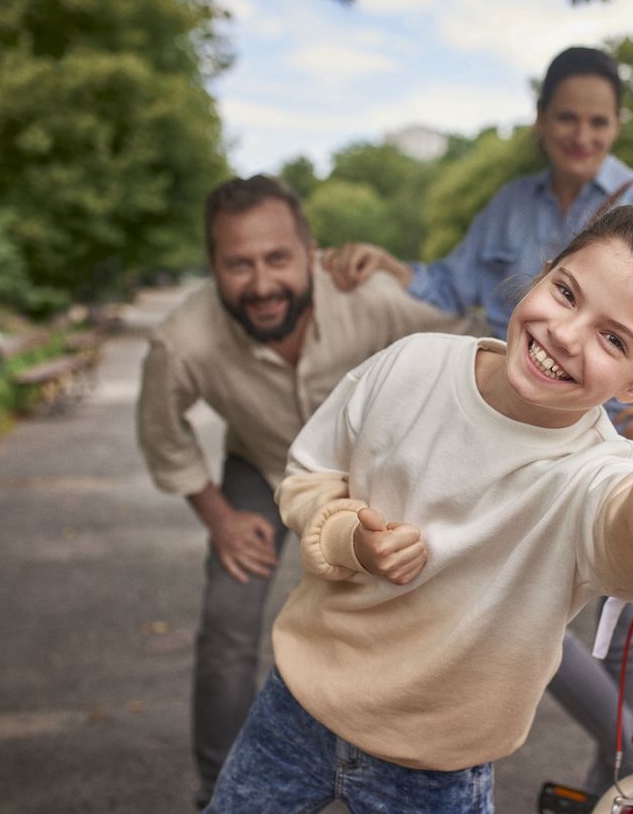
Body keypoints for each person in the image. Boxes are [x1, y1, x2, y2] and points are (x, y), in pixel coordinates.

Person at [207, 187, 633, 813]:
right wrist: (346, 535)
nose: (566, 333)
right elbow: (309, 472)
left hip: (436, 766)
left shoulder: (599, 472)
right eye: (566, 293)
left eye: (612, 339)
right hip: (294, 707)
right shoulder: (410, 364)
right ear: (540, 274)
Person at [326, 45, 633, 792]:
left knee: (631, 641)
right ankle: (632, 767)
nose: (582, 134)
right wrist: (386, 265)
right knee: (524, 607)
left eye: (599, 121)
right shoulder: (511, 207)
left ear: (618, 124)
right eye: (567, 117)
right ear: (541, 121)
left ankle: (625, 783)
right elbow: (449, 279)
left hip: (620, 447)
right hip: (519, 445)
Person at [135, 175, 462, 809]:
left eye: (277, 258)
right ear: (213, 267)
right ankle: (218, 792)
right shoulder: (181, 340)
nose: (261, 285)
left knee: (464, 607)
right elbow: (161, 432)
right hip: (260, 470)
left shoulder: (368, 296)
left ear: (310, 251)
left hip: (374, 481)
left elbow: (462, 321)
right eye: (238, 264)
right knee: (228, 626)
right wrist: (218, 516)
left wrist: (401, 267)